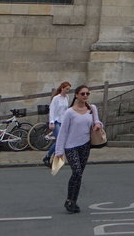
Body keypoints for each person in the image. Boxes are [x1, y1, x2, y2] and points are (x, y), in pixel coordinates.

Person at [53, 84, 102, 213]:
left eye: (87, 94)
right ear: (76, 96)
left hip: (85, 145)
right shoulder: (69, 112)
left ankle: (73, 201)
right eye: (82, 94)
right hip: (71, 146)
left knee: (79, 175)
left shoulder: (92, 109)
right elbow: (63, 132)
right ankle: (69, 200)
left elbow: (97, 121)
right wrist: (59, 151)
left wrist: (97, 125)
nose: (85, 96)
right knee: (77, 171)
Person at [43, 81, 71, 166]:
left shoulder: (67, 97)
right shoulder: (56, 98)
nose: (67, 91)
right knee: (59, 140)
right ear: (62, 88)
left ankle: (49, 157)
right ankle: (49, 157)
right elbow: (52, 110)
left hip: (63, 121)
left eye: (69, 89)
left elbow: (66, 110)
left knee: (61, 141)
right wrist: (51, 122)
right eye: (66, 89)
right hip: (56, 121)